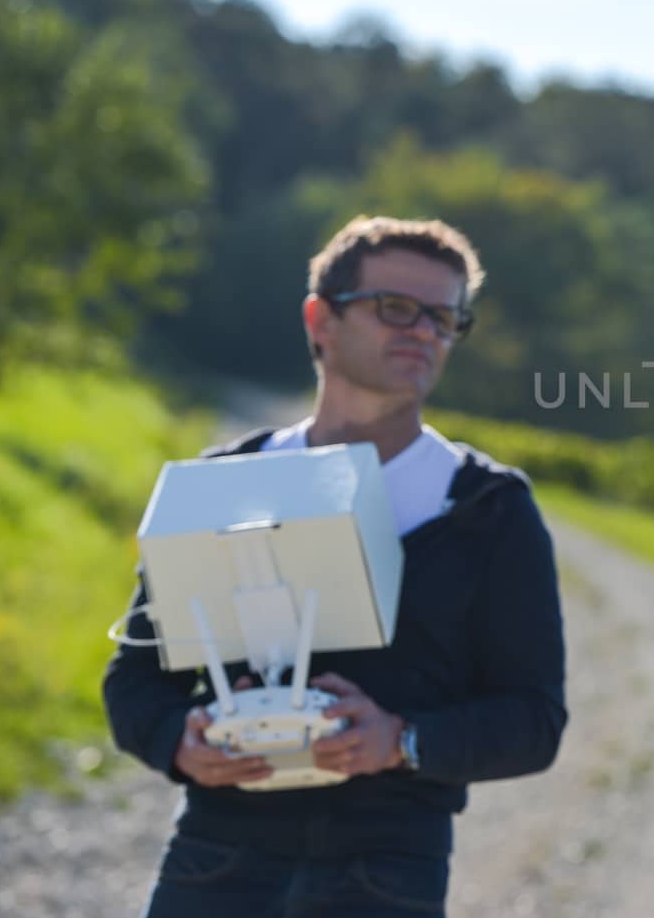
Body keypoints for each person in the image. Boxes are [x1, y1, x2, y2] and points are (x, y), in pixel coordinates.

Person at [104, 216, 567, 918]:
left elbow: (534, 719)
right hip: (216, 852)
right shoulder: (222, 483)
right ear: (320, 318)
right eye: (395, 308)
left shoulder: (488, 509)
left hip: (388, 864)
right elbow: (135, 683)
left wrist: (402, 739)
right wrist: (181, 742)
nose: (423, 331)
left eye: (444, 317)